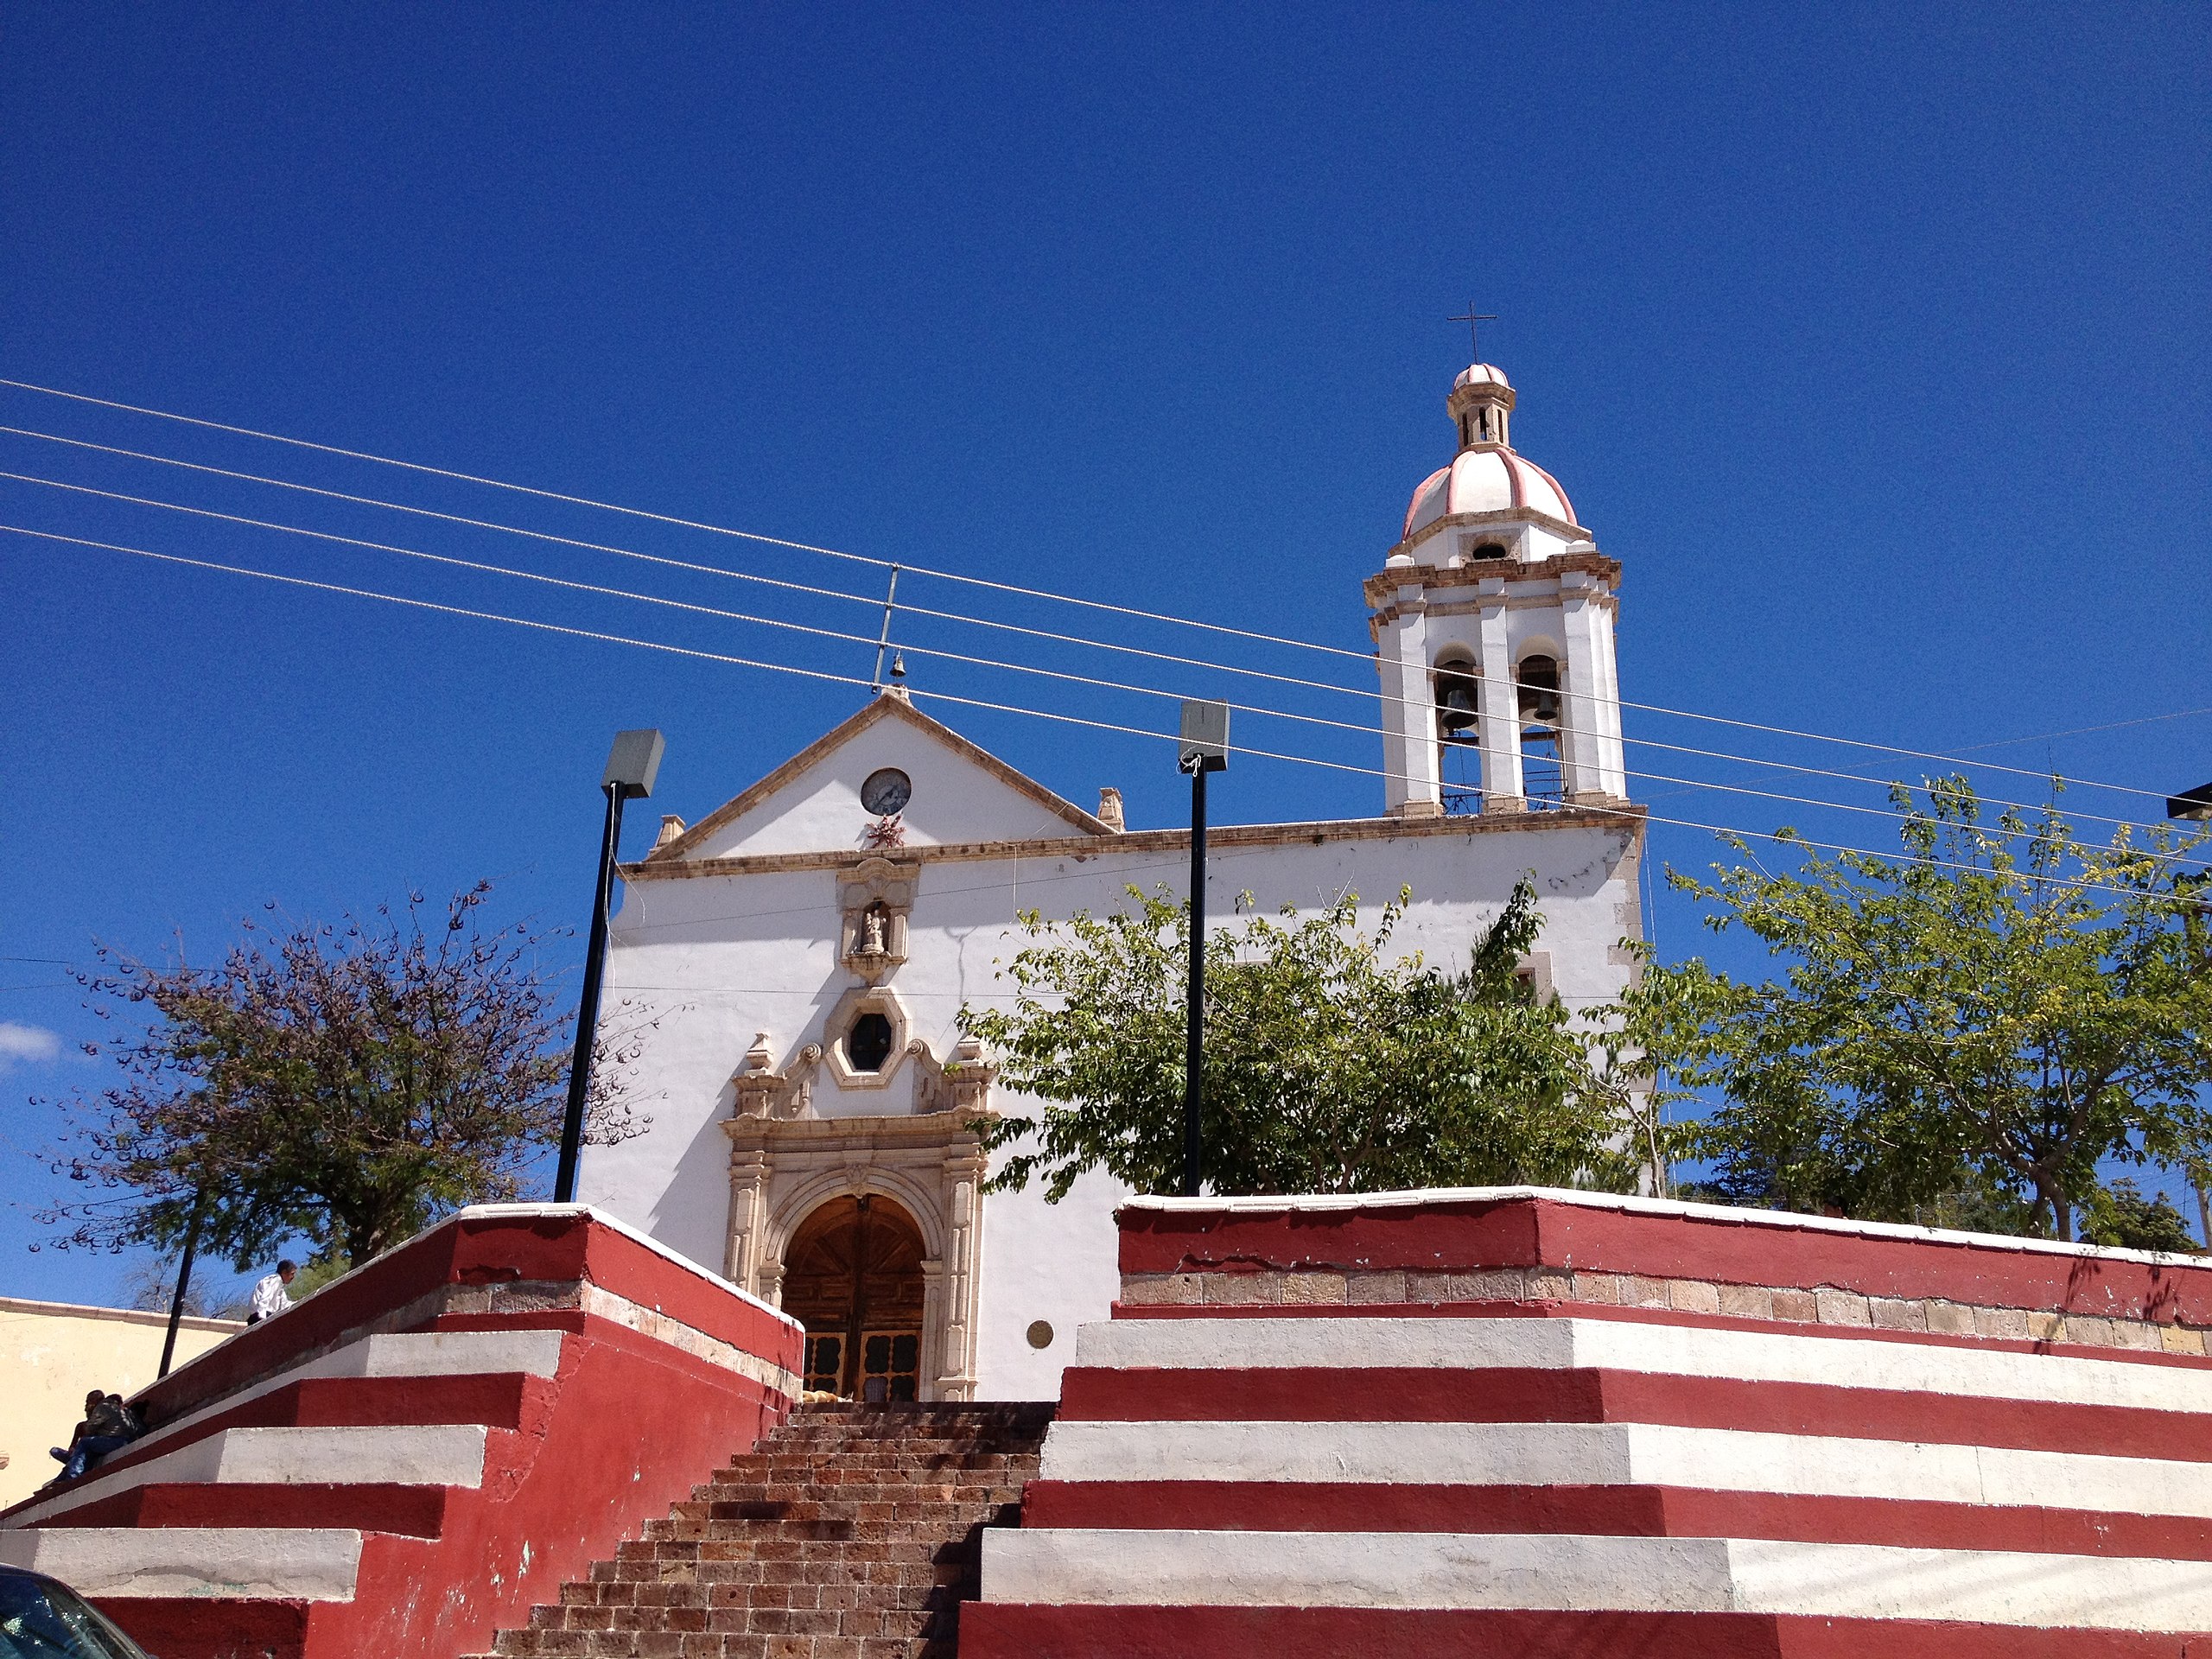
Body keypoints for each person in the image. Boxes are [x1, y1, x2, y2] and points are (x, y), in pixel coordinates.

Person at [55, 1391, 140, 1482]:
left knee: (84, 1442)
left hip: (116, 1441)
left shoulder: (102, 1407)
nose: (87, 1405)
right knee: (90, 1448)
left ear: (95, 1400)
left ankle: (73, 1475)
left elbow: (90, 1429)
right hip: (126, 1440)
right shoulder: (121, 1410)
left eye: (89, 1401)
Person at [247, 1259, 297, 1325]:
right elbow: (264, 1299)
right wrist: (262, 1320)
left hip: (264, 1316)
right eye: (292, 1274)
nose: (293, 1277)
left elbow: (284, 1305)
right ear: (284, 1272)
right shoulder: (275, 1280)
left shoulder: (280, 1288)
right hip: (259, 1317)